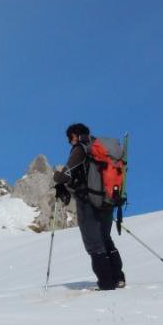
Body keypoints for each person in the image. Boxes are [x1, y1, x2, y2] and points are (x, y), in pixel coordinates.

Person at [53, 123, 126, 290]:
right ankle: (118, 278)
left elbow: (66, 173)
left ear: (74, 135)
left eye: (69, 139)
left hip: (88, 202)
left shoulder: (81, 148)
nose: (69, 142)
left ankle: (106, 283)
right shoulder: (101, 149)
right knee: (106, 239)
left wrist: (57, 178)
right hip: (107, 200)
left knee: (94, 244)